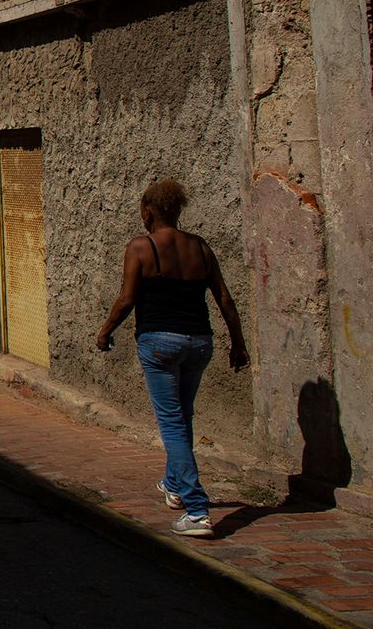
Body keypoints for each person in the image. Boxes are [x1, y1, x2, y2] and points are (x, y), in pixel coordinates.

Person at [96, 179, 249, 539]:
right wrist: (238, 343)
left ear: (148, 211)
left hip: (159, 344)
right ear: (178, 210)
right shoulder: (200, 247)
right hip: (199, 343)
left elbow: (126, 299)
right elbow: (225, 299)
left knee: (171, 423)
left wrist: (105, 331)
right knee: (182, 417)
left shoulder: (140, 248)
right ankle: (174, 485)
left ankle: (197, 511)